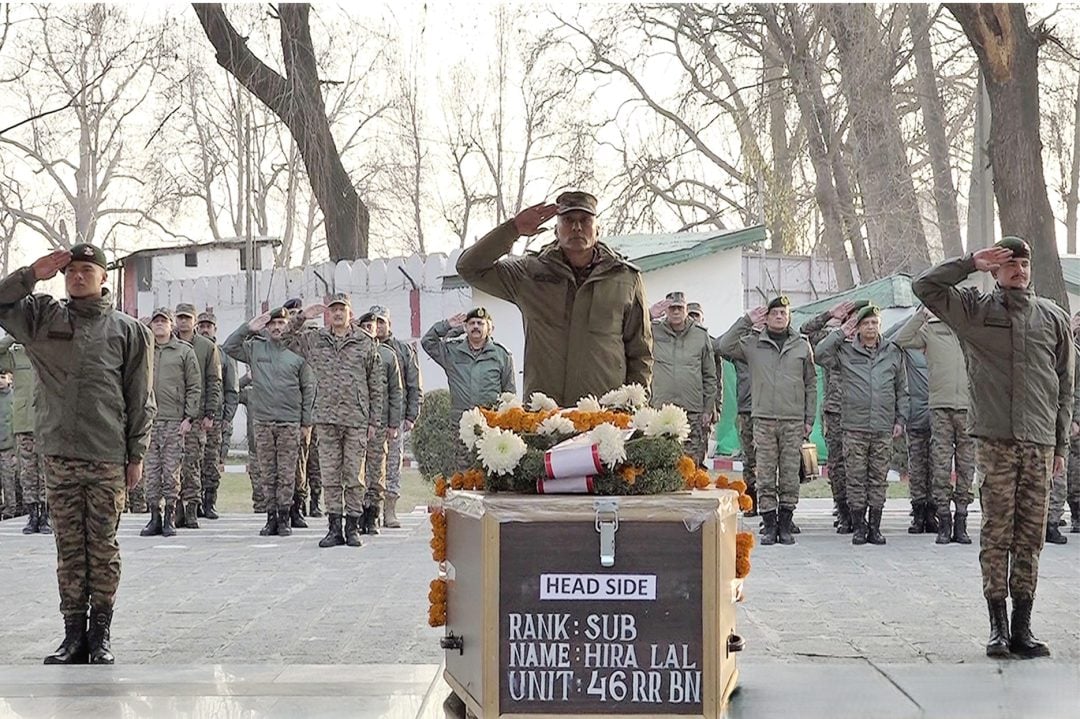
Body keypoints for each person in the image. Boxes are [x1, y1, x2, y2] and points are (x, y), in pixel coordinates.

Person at [913, 237, 1074, 659]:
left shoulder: (1053, 318)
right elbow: (926, 288)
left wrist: (1060, 444)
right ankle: (997, 627)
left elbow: (1065, 388)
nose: (1018, 270)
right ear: (996, 272)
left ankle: (1023, 627)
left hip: (1039, 443)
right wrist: (970, 263)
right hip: (997, 442)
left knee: (1031, 537)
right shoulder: (975, 311)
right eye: (1009, 264)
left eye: (1024, 263)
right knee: (996, 533)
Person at [0, 244, 154, 665]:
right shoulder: (43, 317)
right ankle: (72, 635)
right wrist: (34, 272)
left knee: (101, 547)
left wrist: (135, 454)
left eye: (88, 270)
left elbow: (140, 398)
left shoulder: (128, 331)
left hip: (106, 455)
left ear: (105, 278)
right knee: (69, 549)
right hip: (59, 454)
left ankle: (100, 633)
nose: (78, 276)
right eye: (72, 271)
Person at [456, 190, 652, 406]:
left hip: (605, 416)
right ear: (556, 230)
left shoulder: (625, 278)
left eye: (585, 220)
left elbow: (640, 352)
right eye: (568, 220)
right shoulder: (529, 274)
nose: (577, 227)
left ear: (598, 229)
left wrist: (634, 408)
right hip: (544, 418)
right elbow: (469, 268)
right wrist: (514, 229)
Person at [282, 294, 385, 548]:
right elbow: (284, 339)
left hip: (356, 419)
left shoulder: (365, 342)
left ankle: (352, 527)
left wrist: (374, 420)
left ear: (350, 313)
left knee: (353, 476)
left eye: (342, 309)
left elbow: (376, 384)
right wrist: (302, 316)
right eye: (333, 310)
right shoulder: (315, 340)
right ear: (328, 314)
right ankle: (334, 528)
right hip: (326, 417)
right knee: (330, 475)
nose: (338, 314)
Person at [718, 296, 816, 546]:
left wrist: (809, 418)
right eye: (774, 313)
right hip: (763, 419)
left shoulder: (801, 345)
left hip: (793, 419)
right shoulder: (753, 345)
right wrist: (747, 320)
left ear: (789, 316)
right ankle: (769, 525)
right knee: (765, 473)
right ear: (766, 318)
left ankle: (786, 524)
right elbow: (722, 346)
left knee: (790, 474)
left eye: (784, 313)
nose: (779, 317)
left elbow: (811, 383)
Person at [815, 305, 908, 546]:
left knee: (878, 479)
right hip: (854, 427)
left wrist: (900, 419)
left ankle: (875, 527)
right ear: (858, 327)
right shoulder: (845, 351)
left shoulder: (892, 352)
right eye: (865, 323)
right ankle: (858, 527)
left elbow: (901, 389)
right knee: (855, 478)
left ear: (880, 326)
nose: (870, 327)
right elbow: (819, 353)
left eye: (874, 323)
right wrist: (841, 331)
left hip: (882, 427)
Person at [223, 307, 315, 537]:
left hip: (289, 421)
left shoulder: (297, 351)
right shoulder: (255, 348)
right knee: (268, 473)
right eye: (272, 324)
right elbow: (229, 347)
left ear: (287, 326)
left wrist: (306, 423)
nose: (276, 328)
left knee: (286, 473)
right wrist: (248, 327)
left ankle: (285, 516)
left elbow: (308, 389)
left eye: (281, 324)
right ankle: (270, 517)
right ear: (265, 327)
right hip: (263, 421)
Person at [894, 306, 973, 543]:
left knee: (966, 468)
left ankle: (961, 520)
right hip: (940, 407)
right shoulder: (931, 330)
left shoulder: (971, 331)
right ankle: (943, 520)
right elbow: (902, 339)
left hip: (969, 408)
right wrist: (922, 314)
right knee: (940, 466)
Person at [800, 300, 867, 533]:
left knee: (861, 465)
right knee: (838, 465)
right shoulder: (832, 343)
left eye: (860, 319)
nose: (855, 324)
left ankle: (861, 511)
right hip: (836, 412)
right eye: (852, 318)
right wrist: (830, 316)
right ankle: (843, 510)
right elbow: (806, 333)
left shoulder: (870, 344)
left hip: (862, 413)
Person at [140, 308, 201, 538]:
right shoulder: (144, 350)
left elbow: (194, 386)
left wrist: (189, 417)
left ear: (170, 325)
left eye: (163, 322)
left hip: (174, 420)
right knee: (152, 472)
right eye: (155, 322)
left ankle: (170, 516)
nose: (159, 325)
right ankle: (154, 516)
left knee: (171, 471)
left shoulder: (184, 352)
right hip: (149, 420)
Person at [367, 305, 421, 529]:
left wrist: (411, 415)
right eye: (374, 322)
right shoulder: (364, 347)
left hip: (394, 419)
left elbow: (413, 384)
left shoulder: (403, 350)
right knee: (370, 467)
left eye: (382, 322)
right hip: (369, 420)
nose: (378, 326)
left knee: (391, 465)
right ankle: (371, 510)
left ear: (389, 324)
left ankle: (390, 511)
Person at [649, 292, 718, 467]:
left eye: (680, 308)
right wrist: (649, 314)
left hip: (691, 410)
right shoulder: (653, 331)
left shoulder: (700, 335)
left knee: (689, 465)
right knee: (661, 463)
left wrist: (708, 408)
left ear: (686, 309)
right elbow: (631, 330)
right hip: (661, 409)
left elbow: (710, 376)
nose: (676, 312)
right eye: (672, 308)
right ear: (666, 309)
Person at [421, 307, 516, 426]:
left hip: (491, 425)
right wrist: (447, 325)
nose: (476, 326)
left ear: (488, 328)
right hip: (460, 425)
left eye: (480, 323)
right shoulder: (452, 352)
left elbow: (510, 395)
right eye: (471, 323)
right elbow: (427, 342)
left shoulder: (502, 355)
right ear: (465, 327)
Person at [173, 303, 222, 529]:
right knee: (171, 465)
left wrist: (210, 412)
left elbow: (214, 381)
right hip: (170, 413)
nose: (183, 322)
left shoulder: (206, 347)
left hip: (197, 414)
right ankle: (176, 510)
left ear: (193, 321)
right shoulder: (167, 344)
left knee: (192, 464)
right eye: (180, 318)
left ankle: (192, 507)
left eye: (187, 318)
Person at [358, 311, 404, 533]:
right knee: (354, 470)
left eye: (372, 326)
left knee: (377, 470)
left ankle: (373, 514)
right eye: (364, 325)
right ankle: (357, 513)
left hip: (380, 423)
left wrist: (394, 423)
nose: (368, 329)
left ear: (378, 329)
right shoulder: (351, 353)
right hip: (354, 422)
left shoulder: (387, 355)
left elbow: (396, 391)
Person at [0, 336, 48, 533]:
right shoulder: (17, 354)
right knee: (27, 472)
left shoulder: (48, 351)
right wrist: (13, 335)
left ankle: (46, 515)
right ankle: (32, 515)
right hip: (23, 421)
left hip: (45, 420)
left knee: (45, 472)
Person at [196, 312, 239, 519]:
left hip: (216, 418)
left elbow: (232, 390)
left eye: (209, 326)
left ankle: (209, 502)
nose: (205, 329)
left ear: (215, 329)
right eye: (202, 325)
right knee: (192, 462)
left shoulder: (224, 355)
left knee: (211, 462)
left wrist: (226, 418)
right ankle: (192, 502)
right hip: (194, 415)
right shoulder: (190, 350)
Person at [237, 374, 264, 513]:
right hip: (255, 446)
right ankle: (260, 507)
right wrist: (247, 378)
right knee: (257, 480)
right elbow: (232, 390)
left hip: (273, 447)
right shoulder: (250, 393)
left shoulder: (276, 391)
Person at [0, 369, 15, 520]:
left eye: (2, 377)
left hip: (8, 445)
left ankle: (12, 508)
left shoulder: (14, 397)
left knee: (8, 478)